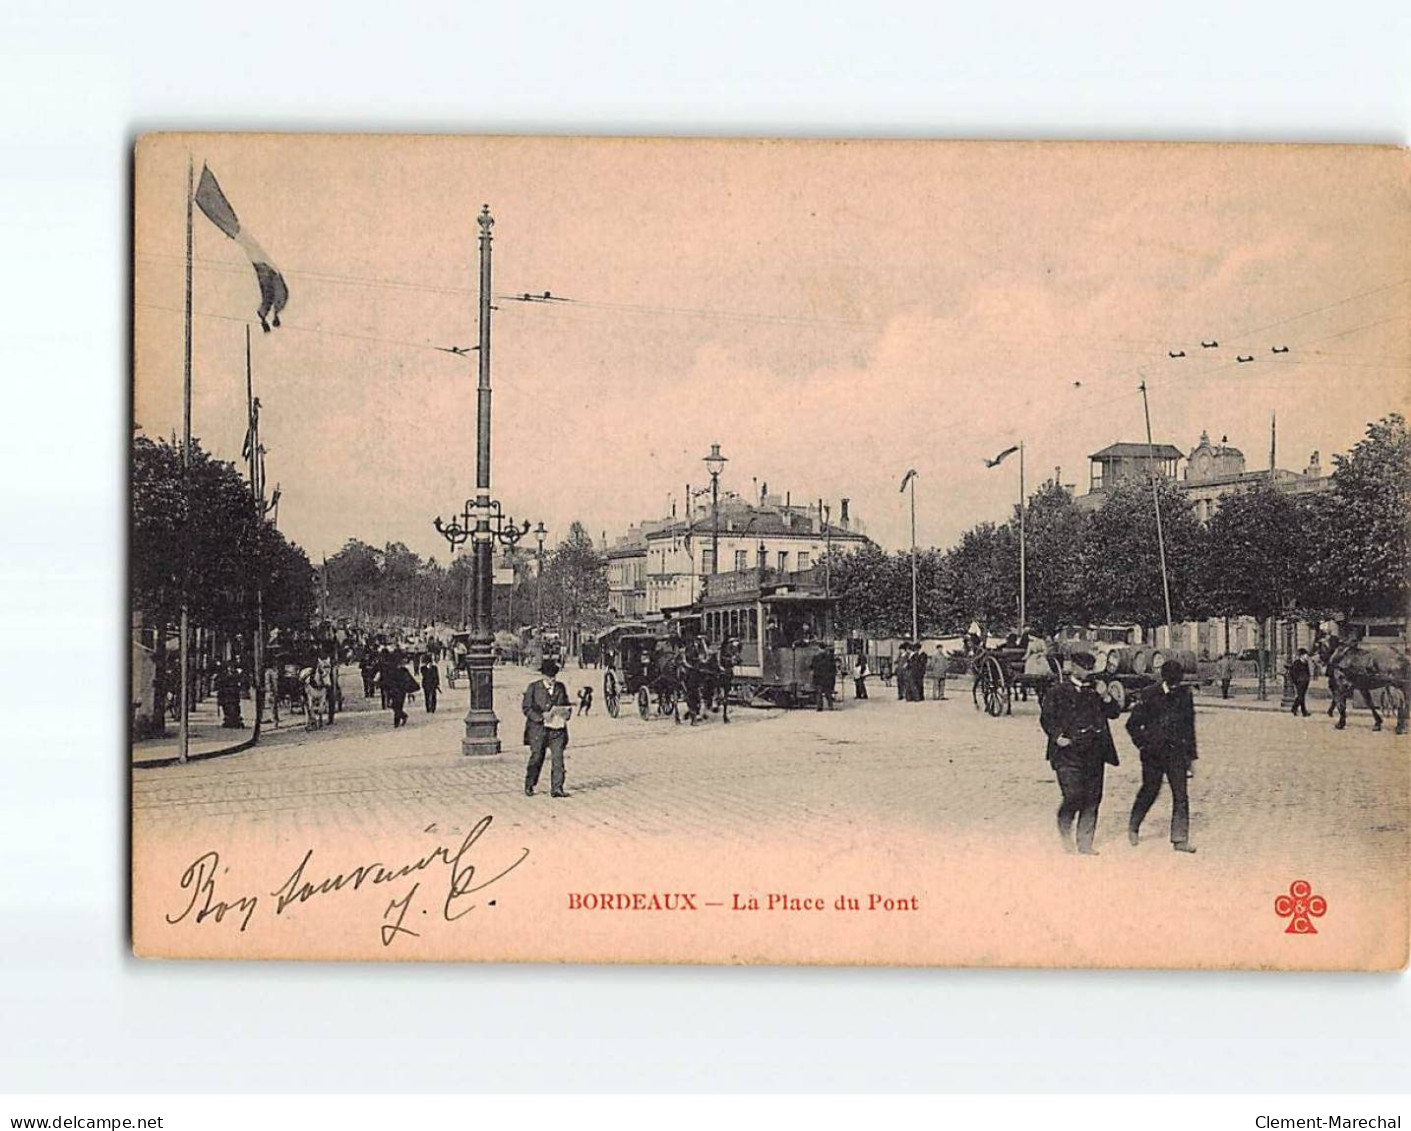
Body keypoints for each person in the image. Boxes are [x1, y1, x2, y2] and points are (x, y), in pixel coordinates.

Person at [1039, 650, 1121, 855]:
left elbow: (1114, 713)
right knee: (1074, 795)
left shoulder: (1096, 690)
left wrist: (1106, 696)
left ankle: (1085, 844)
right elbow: (1046, 718)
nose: (1088, 673)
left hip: (1095, 751)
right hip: (1068, 752)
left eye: (1090, 669)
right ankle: (1064, 824)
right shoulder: (1058, 691)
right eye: (1084, 668)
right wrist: (1057, 736)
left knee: (1093, 798)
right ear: (1074, 668)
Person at [1126, 659, 1199, 853]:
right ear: (1165, 679)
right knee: (1150, 790)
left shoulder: (1185, 695)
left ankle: (1180, 838)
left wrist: (1191, 758)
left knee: (1181, 795)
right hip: (1152, 755)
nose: (1176, 686)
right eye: (1172, 682)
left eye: (1178, 682)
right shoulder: (1149, 694)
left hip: (1176, 753)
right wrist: (1142, 744)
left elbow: (1189, 727)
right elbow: (1132, 725)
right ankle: (1133, 826)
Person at [523, 659, 571, 797]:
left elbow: (566, 704)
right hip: (538, 729)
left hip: (557, 729)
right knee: (537, 757)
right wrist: (541, 717)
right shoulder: (533, 688)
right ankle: (530, 784)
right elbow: (527, 708)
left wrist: (566, 713)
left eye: (554, 676)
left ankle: (557, 788)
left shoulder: (560, 687)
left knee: (558, 758)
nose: (552, 679)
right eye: (549, 677)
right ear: (543, 676)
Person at [387, 659, 417, 728]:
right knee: (394, 706)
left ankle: (396, 723)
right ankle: (403, 716)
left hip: (401, 691)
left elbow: (409, 680)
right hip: (393, 690)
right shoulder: (392, 671)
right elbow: (388, 680)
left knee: (398, 706)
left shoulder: (404, 671)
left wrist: (410, 690)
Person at [810, 643, 837, 710]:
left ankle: (819, 706)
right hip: (827, 678)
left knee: (819, 693)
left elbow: (812, 667)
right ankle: (830, 706)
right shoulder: (830, 657)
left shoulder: (815, 657)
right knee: (828, 693)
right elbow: (833, 668)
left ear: (819, 649)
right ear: (825, 649)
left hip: (818, 678)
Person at [1288, 648, 1312, 717]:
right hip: (1299, 682)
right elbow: (1292, 673)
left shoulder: (1305, 663)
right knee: (1301, 697)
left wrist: (1308, 678)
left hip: (1305, 682)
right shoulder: (1297, 663)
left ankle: (1299, 710)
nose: (1306, 656)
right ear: (1301, 655)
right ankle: (1297, 709)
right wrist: (1296, 681)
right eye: (1305, 655)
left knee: (1301, 696)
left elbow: (1307, 672)